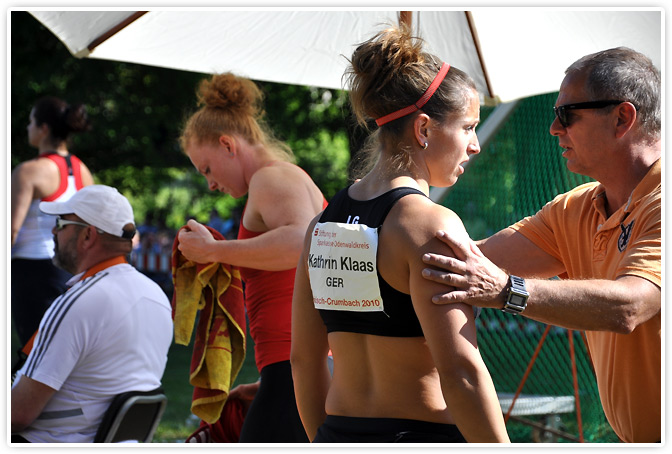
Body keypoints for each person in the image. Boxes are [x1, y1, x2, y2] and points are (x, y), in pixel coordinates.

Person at [421, 47, 661, 443]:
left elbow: (630, 306)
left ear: (623, 118)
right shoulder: (576, 208)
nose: (553, 128)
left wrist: (505, 291)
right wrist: (367, 227)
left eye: (567, 115)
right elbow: (465, 261)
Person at [290, 25, 509, 443]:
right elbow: (460, 370)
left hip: (339, 432)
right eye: (467, 127)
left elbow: (303, 360)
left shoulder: (320, 227)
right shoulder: (428, 225)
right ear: (424, 129)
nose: (475, 144)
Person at [176, 72, 327, 443]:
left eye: (207, 169)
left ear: (228, 145)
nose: (210, 184)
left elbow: (300, 242)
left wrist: (214, 250)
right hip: (293, 363)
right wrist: (266, 381)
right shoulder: (280, 178)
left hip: (296, 363)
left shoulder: (270, 178)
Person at [11, 185, 173, 443]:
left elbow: (17, 414)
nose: (53, 231)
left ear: (87, 236)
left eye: (61, 224)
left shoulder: (79, 301)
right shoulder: (157, 298)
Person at [11, 96, 95, 346]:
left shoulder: (29, 171)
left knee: (35, 354)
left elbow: (11, 229)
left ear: (43, 127)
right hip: (72, 271)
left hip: (33, 271)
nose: (28, 128)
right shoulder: (83, 171)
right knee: (65, 352)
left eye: (30, 122)